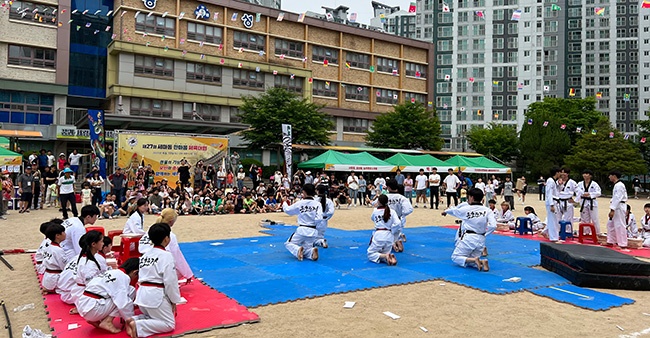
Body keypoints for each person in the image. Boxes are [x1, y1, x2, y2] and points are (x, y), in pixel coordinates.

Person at [126, 223, 182, 338]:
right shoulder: (166, 256)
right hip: (155, 298)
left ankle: (134, 319)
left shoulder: (145, 255)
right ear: (167, 239)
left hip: (142, 296)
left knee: (153, 317)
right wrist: (174, 300)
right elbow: (170, 282)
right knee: (169, 324)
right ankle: (137, 325)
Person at [77, 258, 139, 334]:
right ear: (135, 272)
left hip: (83, 304)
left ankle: (96, 319)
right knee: (130, 291)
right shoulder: (123, 277)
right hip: (94, 308)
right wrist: (130, 321)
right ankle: (108, 321)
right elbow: (123, 303)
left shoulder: (111, 271)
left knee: (113, 294)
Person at [442, 188, 496, 271]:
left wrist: (445, 211)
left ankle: (476, 260)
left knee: (455, 257)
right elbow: (493, 226)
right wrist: (484, 234)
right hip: (481, 240)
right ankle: (482, 262)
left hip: (469, 238)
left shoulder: (466, 209)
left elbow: (454, 211)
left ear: (472, 197)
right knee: (469, 261)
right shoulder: (487, 210)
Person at [281, 183, 322, 261]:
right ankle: (311, 252)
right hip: (313, 230)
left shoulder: (300, 203)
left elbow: (288, 210)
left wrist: (284, 202)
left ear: (304, 192)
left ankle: (297, 250)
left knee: (289, 243)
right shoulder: (317, 204)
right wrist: (313, 223)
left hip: (302, 229)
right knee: (307, 248)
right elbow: (319, 218)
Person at [367, 194, 400, 265]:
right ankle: (388, 256)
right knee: (384, 252)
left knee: (370, 254)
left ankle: (385, 256)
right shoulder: (392, 211)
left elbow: (372, 218)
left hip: (379, 235)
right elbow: (398, 223)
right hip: (389, 236)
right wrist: (392, 230)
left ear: (378, 201)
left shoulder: (375, 211)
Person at [385, 179, 413, 253]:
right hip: (398, 219)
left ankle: (394, 243)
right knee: (395, 234)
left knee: (386, 236)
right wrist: (402, 214)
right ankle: (397, 241)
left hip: (387, 220)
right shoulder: (402, 198)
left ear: (388, 187)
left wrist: (369, 201)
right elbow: (409, 209)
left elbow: (376, 205)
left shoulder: (384, 197)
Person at [42, 222, 67, 292]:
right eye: (63, 232)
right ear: (58, 235)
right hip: (54, 278)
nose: (65, 234)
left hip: (47, 278)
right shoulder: (58, 250)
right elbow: (64, 267)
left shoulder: (48, 246)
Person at [575, 169, 601, 236]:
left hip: (592, 202)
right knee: (584, 219)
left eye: (587, 174)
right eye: (584, 174)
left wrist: (590, 194)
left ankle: (597, 233)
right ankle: (586, 233)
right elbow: (577, 192)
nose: (585, 175)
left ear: (590, 176)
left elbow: (599, 193)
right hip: (583, 202)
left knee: (594, 218)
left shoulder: (594, 184)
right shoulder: (580, 184)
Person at [608, 170, 628, 248]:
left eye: (610, 175)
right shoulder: (617, 185)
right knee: (611, 224)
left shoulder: (619, 185)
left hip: (619, 206)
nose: (609, 177)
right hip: (616, 205)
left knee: (620, 225)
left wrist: (612, 209)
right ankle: (611, 241)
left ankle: (622, 244)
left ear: (614, 176)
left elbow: (617, 198)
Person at [545, 168, 562, 242]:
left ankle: (551, 235)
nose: (560, 174)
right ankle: (553, 238)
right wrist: (551, 205)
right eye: (560, 173)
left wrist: (560, 184)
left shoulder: (554, 181)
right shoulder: (550, 181)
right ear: (557, 172)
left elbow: (556, 191)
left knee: (554, 220)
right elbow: (549, 193)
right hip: (551, 202)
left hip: (554, 201)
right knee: (553, 221)